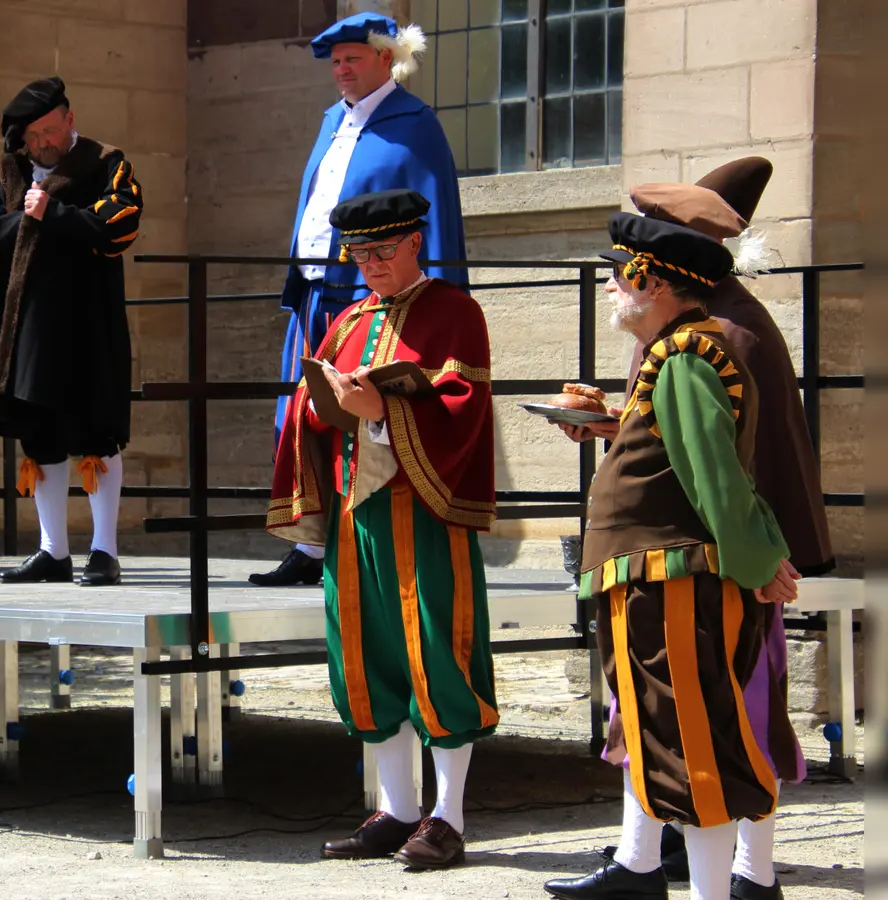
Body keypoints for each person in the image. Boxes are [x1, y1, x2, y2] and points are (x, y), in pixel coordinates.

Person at [546, 162, 823, 900]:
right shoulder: (683, 347)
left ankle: (722, 888)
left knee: (697, 754)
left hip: (675, 580)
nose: (612, 288)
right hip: (656, 575)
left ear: (652, 279)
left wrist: (760, 561)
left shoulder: (692, 352)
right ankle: (653, 870)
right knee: (670, 743)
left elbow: (719, 479)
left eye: (620, 275)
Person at [267, 190, 496, 870]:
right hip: (355, 514)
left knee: (438, 650)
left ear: (416, 241)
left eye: (382, 251)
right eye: (358, 253)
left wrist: (380, 410)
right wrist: (323, 403)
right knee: (366, 657)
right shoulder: (347, 319)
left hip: (423, 510)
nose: (369, 264)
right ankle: (396, 809)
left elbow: (462, 408)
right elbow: (311, 402)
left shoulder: (456, 312)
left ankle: (448, 817)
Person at [252, 12, 467, 589]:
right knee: (306, 410)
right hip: (317, 290)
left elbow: (433, 217)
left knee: (362, 408)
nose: (341, 70)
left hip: (370, 291)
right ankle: (308, 542)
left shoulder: (415, 124)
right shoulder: (332, 120)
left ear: (385, 59)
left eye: (352, 59)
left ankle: (361, 538)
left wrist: (433, 297)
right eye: (335, 61)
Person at [0, 76, 141, 587]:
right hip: (25, 323)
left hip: (87, 318)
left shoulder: (105, 162)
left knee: (96, 430)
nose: (42, 142)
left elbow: (119, 224)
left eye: (49, 130)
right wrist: (27, 218)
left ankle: (104, 551)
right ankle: (52, 551)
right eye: (33, 135)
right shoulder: (11, 170)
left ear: (69, 119)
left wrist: (54, 214)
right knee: (40, 433)